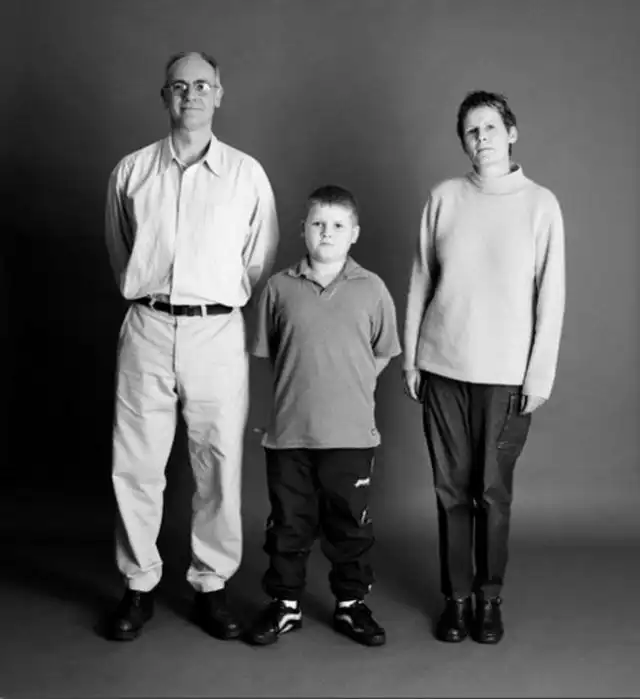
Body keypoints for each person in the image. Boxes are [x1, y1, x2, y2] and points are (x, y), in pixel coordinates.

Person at [104, 51, 279, 641]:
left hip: (216, 331)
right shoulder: (131, 172)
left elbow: (258, 256)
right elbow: (120, 249)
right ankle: (138, 585)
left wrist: (212, 297)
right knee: (135, 464)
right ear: (165, 96)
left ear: (219, 94)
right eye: (179, 86)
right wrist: (154, 294)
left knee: (219, 463)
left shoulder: (246, 175)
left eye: (203, 85)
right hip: (147, 327)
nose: (191, 95)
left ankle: (212, 585)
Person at [403, 91, 565, 644]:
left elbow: (552, 297)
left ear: (511, 133)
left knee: (492, 492)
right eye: (471, 131)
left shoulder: (540, 204)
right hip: (442, 368)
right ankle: (456, 599)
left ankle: (489, 598)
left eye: (490, 127)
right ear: (464, 143)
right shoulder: (444, 198)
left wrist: (539, 376)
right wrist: (411, 358)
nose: (481, 138)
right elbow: (420, 279)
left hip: (506, 377)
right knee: (450, 491)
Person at [245, 185, 401, 647]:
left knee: (349, 524)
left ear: (354, 233)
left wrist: (349, 384)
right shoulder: (278, 287)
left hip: (351, 436)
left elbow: (383, 351)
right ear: (303, 230)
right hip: (289, 434)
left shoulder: (372, 289)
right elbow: (269, 354)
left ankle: (351, 604)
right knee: (288, 523)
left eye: (337, 225)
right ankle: (285, 604)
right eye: (318, 224)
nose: (326, 233)